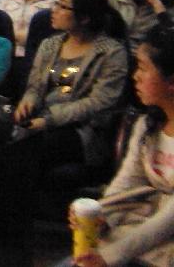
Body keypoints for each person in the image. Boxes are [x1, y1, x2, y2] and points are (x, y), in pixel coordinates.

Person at [66, 25, 174, 266]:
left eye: (143, 68)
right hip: (138, 236)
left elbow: (169, 220)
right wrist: (102, 214)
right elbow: (127, 183)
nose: (135, 76)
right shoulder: (148, 125)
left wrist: (111, 256)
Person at [14, 0, 127, 179]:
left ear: (84, 18)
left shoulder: (111, 53)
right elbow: (35, 86)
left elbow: (98, 103)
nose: (54, 10)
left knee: (29, 150)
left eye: (63, 6)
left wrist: (49, 120)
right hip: (41, 119)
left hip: (82, 131)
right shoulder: (50, 45)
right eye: (56, 3)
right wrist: (28, 101)